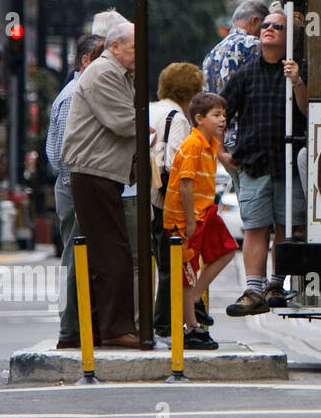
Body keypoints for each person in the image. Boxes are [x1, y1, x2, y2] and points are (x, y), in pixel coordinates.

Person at [221, 10, 307, 315]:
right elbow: (221, 111)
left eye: (277, 26)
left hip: (287, 165)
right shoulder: (245, 73)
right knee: (256, 227)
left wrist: (297, 81)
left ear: (290, 38)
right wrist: (220, 152)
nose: (268, 29)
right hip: (255, 163)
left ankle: (276, 285)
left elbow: (308, 111)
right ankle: (253, 290)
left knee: (285, 226)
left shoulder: (298, 71)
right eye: (266, 25)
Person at [61, 21, 140, 347]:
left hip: (102, 172)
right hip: (94, 172)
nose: (139, 54)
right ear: (116, 46)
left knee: (106, 251)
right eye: (135, 47)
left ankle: (99, 327)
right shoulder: (105, 73)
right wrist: (149, 127)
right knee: (112, 252)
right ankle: (113, 329)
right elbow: (124, 122)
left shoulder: (117, 74)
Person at [163, 92, 239, 349]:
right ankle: (192, 327)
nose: (223, 120)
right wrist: (188, 221)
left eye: (224, 115)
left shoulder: (209, 142)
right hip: (186, 218)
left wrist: (228, 159)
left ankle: (195, 299)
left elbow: (219, 153)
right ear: (199, 119)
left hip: (206, 210)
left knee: (226, 250)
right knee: (187, 272)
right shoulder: (193, 144)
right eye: (216, 115)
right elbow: (185, 184)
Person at [46, 33, 105, 349]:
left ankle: (84, 325)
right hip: (75, 186)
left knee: (86, 255)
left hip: (84, 185)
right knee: (75, 254)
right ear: (85, 61)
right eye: (100, 58)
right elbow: (63, 155)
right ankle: (71, 329)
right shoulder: (73, 96)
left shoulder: (88, 91)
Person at [148, 62, 206, 338]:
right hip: (166, 203)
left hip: (144, 195)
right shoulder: (178, 118)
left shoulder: (150, 109)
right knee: (173, 265)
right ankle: (165, 322)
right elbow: (177, 167)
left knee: (157, 263)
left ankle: (159, 320)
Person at [202, 0, 268, 192]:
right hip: (250, 139)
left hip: (222, 142)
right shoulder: (254, 45)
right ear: (255, 21)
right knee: (259, 208)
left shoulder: (211, 54)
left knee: (245, 203)